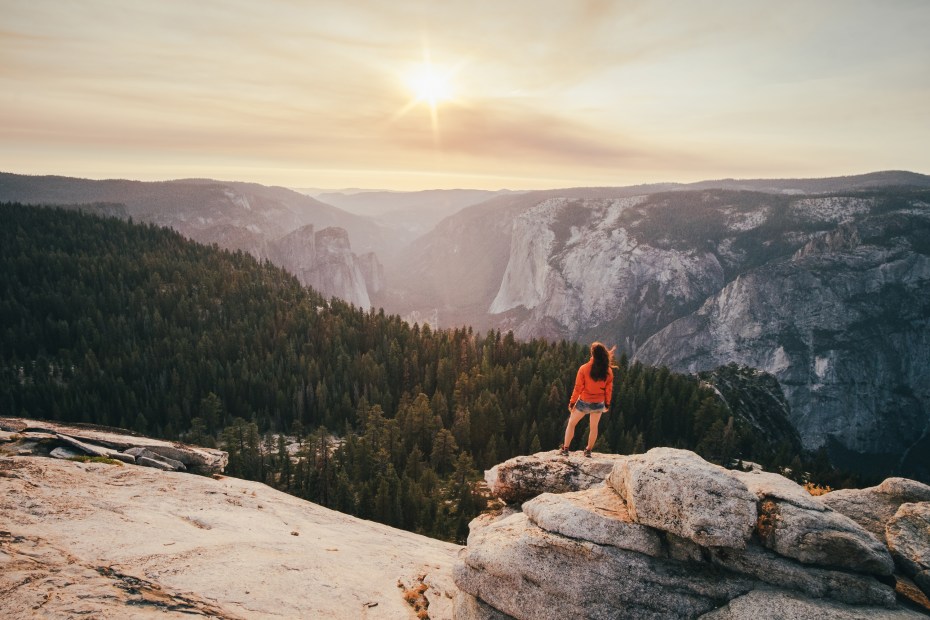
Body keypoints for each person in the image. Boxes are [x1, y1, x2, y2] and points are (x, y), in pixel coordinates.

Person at [559, 342, 616, 458]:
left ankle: (565, 449)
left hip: (584, 402)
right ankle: (588, 451)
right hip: (599, 403)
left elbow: (578, 388)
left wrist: (572, 402)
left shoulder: (584, 368)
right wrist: (607, 404)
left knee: (571, 423)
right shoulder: (608, 371)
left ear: (592, 354)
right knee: (594, 427)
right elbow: (608, 390)